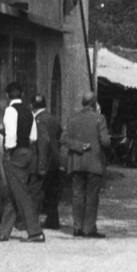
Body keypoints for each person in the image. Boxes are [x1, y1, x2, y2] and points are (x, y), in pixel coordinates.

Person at [0, 82, 44, 243]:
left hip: (15, 154)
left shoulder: (10, 110)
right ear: (22, 95)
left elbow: (11, 134)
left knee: (20, 193)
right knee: (15, 192)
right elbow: (33, 137)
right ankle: (3, 231)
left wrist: (8, 150)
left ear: (7, 96)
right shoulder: (30, 112)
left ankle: (35, 232)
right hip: (28, 152)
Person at [61, 91, 111, 238]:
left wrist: (79, 146)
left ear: (82, 102)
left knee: (77, 194)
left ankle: (77, 228)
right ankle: (88, 228)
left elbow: (63, 139)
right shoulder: (99, 119)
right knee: (92, 195)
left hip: (76, 162)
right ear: (94, 103)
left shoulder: (72, 118)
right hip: (94, 163)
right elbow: (105, 142)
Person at [31, 93, 63, 230]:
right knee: (52, 193)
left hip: (44, 161)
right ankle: (53, 221)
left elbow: (43, 142)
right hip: (55, 161)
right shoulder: (53, 118)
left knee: (38, 191)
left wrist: (41, 165)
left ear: (32, 105)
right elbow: (60, 136)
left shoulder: (39, 120)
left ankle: (33, 221)